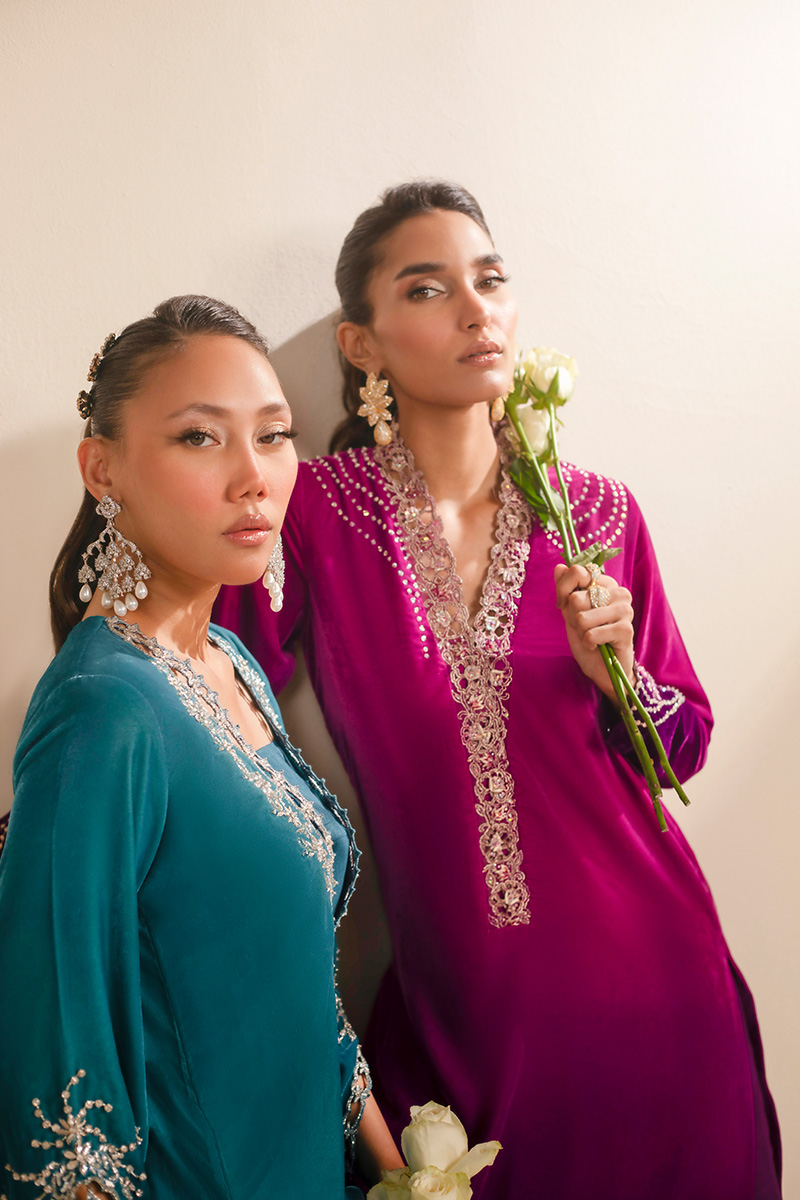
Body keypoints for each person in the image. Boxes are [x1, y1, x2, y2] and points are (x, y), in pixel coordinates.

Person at [215, 183, 782, 1199]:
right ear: (361, 345)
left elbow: (682, 744)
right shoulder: (318, 512)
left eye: (491, 280)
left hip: (661, 992)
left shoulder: (595, 513)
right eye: (428, 288)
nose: (477, 310)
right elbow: (216, 672)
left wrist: (621, 673)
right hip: (461, 1013)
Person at [0, 296, 403, 1199]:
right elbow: (59, 1068)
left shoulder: (230, 664)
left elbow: (295, 991)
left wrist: (412, 1177)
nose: (254, 476)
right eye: (199, 438)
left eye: (273, 435)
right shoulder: (103, 708)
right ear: (103, 469)